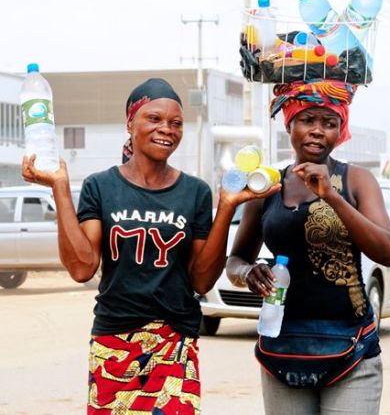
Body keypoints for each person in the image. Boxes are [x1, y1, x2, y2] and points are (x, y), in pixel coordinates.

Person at [22, 78, 278, 414]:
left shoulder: (195, 192)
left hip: (174, 344)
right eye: (154, 118)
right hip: (114, 340)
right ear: (130, 123)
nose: (166, 129)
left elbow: (201, 281)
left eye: (176, 123)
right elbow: (82, 267)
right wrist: (59, 186)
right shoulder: (102, 187)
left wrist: (227, 205)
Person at [226, 79, 390, 415]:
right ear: (289, 124)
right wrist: (248, 272)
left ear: (340, 130)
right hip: (283, 345)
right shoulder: (267, 187)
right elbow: (235, 259)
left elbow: (387, 251)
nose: (318, 131)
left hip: (351, 346)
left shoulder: (357, 181)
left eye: (329, 123)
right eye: (308, 120)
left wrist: (331, 196)